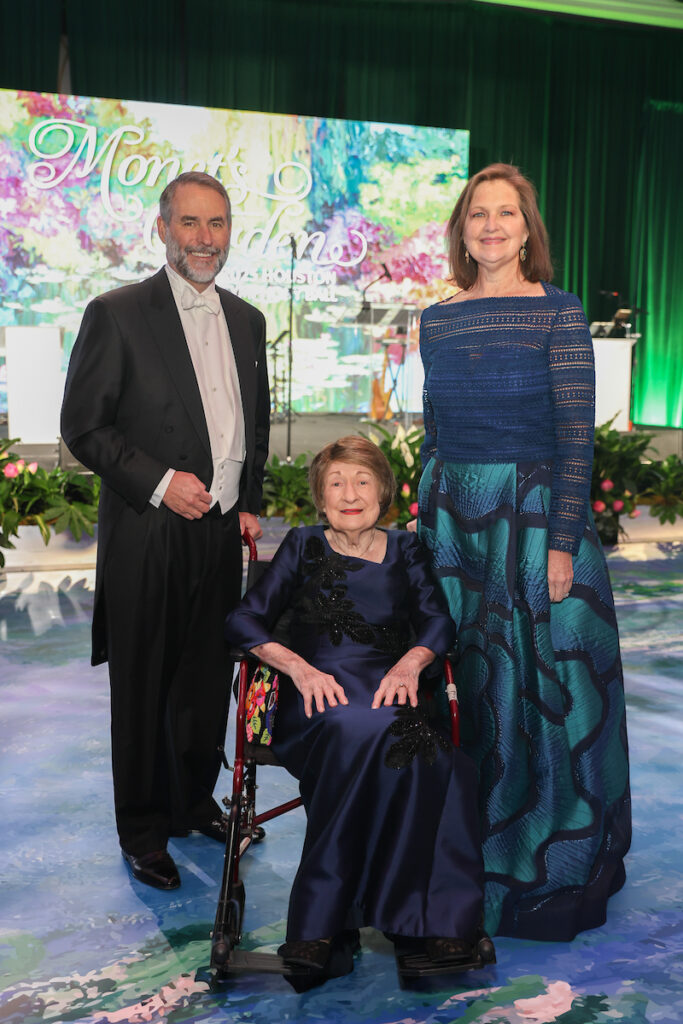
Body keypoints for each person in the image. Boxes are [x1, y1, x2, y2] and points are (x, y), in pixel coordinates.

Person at [413, 163, 631, 942]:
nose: (492, 226)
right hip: (457, 527)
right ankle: (468, 848)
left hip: (537, 522)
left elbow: (576, 437)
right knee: (474, 689)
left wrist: (562, 542)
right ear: (461, 229)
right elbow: (433, 433)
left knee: (545, 696)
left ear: (526, 229)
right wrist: (424, 535)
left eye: (507, 213)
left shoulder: (559, 313)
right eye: (479, 214)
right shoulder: (435, 320)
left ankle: (547, 858)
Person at [61, 171, 270, 891]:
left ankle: (191, 803)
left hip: (217, 532)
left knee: (205, 678)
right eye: (190, 223)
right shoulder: (116, 313)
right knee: (144, 682)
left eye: (216, 224)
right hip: (149, 528)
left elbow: (254, 419)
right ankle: (144, 828)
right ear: (162, 229)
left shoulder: (247, 319)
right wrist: (158, 481)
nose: (204, 238)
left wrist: (248, 496)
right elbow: (83, 427)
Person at [225, 436, 491, 990]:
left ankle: (428, 924)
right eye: (337, 483)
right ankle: (329, 924)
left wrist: (411, 664)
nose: (351, 494)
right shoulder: (302, 545)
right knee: (352, 730)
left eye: (363, 481)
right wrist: (298, 669)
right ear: (321, 499)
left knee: (436, 755)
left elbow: (438, 622)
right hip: (315, 691)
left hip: (391, 687)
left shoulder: (405, 550)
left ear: (383, 493)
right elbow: (245, 621)